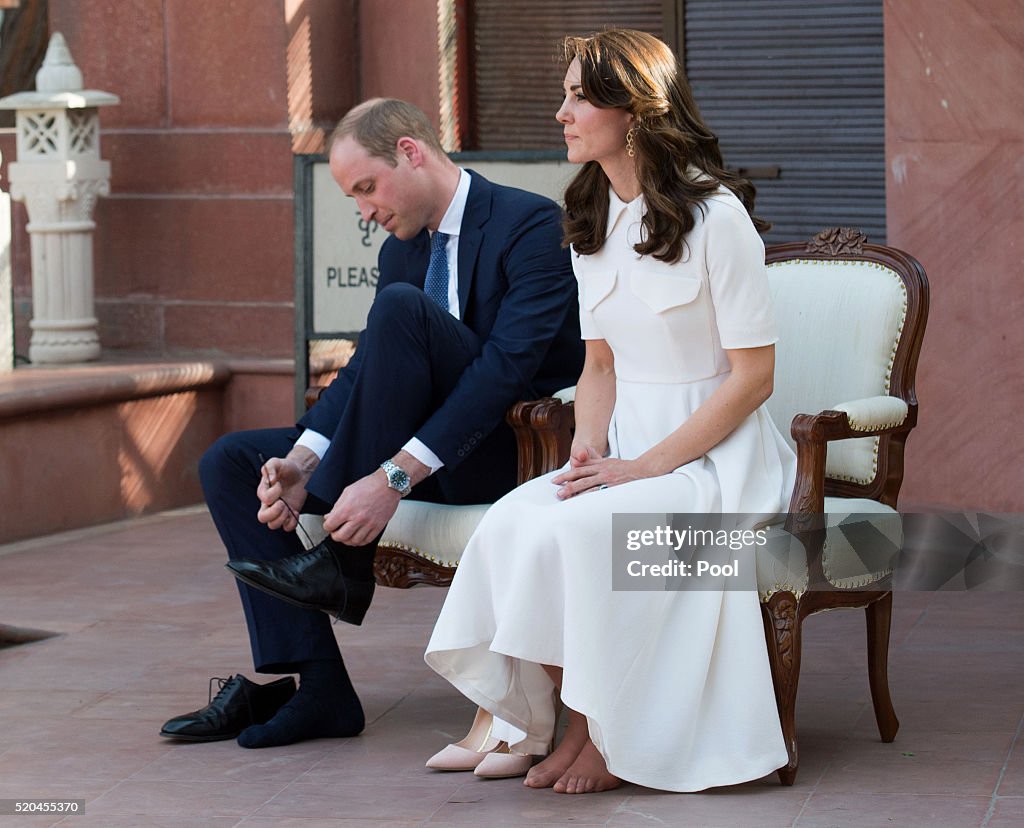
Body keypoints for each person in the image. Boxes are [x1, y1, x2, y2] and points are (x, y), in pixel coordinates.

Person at [424, 29, 796, 794]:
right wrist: (587, 453)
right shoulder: (593, 216)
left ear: (635, 111)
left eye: (578, 97)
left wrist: (649, 466)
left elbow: (754, 379)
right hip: (626, 448)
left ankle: (606, 736)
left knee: (590, 531)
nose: (560, 113)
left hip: (719, 464)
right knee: (517, 521)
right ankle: (570, 721)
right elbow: (599, 363)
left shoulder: (715, 217)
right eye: (564, 95)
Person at [159, 98, 584, 749]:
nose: (364, 211)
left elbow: (505, 370)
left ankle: (339, 559)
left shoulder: (530, 224)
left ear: (411, 152)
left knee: (400, 311)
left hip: (509, 452)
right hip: (411, 453)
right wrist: (303, 463)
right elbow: (363, 374)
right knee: (233, 462)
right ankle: (322, 688)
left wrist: (388, 478)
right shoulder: (402, 251)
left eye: (366, 188)